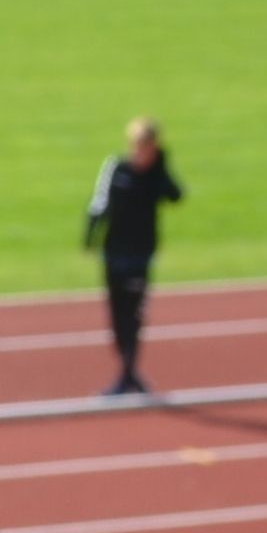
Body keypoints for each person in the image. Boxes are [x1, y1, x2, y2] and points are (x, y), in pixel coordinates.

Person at [81, 118, 183, 399]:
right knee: (117, 318)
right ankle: (129, 374)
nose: (141, 151)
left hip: (141, 254)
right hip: (114, 252)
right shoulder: (116, 168)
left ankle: (126, 376)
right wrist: (90, 237)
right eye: (138, 145)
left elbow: (176, 196)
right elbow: (99, 204)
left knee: (134, 317)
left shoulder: (156, 175)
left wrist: (161, 164)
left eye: (147, 146)